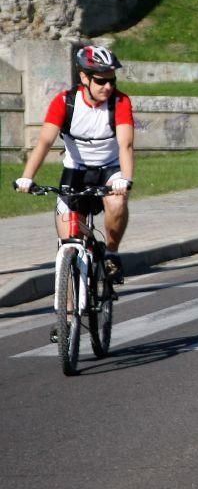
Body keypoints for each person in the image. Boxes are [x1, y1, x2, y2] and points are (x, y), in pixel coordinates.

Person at [15, 46, 134, 338]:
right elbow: (43, 142)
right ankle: (66, 318)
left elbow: (125, 145)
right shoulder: (65, 102)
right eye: (100, 80)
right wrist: (26, 178)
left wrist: (125, 180)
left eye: (111, 80)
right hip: (75, 171)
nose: (108, 86)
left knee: (117, 204)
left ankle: (112, 254)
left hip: (110, 168)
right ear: (84, 77)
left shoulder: (120, 102)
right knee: (69, 243)